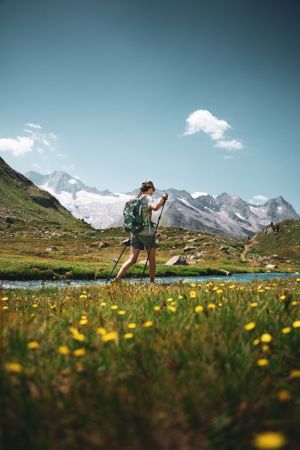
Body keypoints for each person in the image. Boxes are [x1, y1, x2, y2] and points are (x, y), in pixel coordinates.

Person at [112, 180, 168, 284]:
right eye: (153, 190)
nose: (153, 192)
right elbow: (155, 207)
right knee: (151, 259)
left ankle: (117, 279)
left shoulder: (134, 199)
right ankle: (152, 283)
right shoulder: (148, 198)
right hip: (147, 233)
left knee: (132, 259)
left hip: (134, 233)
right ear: (150, 189)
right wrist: (163, 199)